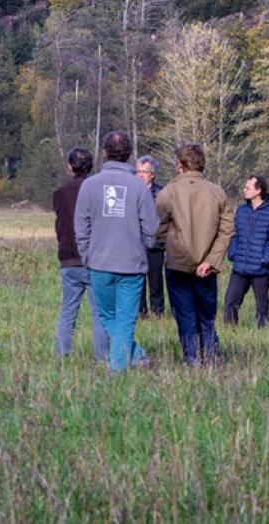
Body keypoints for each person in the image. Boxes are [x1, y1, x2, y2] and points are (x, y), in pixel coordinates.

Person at [74, 131, 159, 372]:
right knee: (124, 319)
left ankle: (117, 371)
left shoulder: (90, 185)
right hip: (131, 264)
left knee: (108, 316)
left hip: (99, 263)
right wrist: (147, 245)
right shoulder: (139, 187)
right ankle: (135, 356)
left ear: (104, 152)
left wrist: (87, 255)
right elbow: (152, 227)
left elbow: (81, 226)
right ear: (130, 154)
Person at [155, 142, 234, 364]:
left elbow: (157, 229)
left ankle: (192, 361)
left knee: (185, 316)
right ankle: (210, 358)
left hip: (177, 265)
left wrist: (169, 247)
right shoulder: (217, 192)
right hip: (207, 266)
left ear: (179, 164)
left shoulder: (167, 193)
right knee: (207, 317)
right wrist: (211, 260)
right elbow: (227, 230)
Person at [52, 147, 108, 362]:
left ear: (69, 167)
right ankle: (102, 357)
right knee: (99, 314)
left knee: (68, 311)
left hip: (68, 258)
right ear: (91, 166)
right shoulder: (98, 190)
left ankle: (62, 355)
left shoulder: (60, 193)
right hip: (95, 258)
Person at [224, 174, 269, 328]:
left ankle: (261, 333)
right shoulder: (241, 211)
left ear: (258, 190)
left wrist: (265, 259)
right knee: (230, 301)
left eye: (248, 187)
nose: (244, 190)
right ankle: (230, 332)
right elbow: (235, 235)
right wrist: (232, 253)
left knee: (262, 305)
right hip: (240, 266)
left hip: (261, 268)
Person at [135, 155, 167, 317]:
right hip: (135, 245)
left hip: (155, 245)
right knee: (137, 283)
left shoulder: (162, 194)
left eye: (144, 172)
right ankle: (141, 312)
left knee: (155, 282)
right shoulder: (131, 192)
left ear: (152, 174)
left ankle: (158, 312)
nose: (140, 175)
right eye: (138, 171)